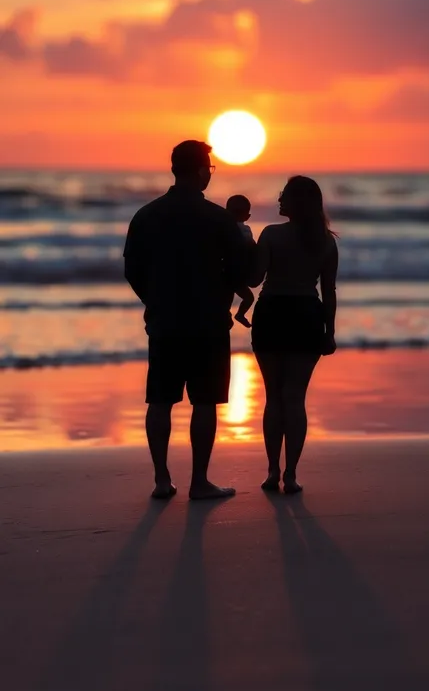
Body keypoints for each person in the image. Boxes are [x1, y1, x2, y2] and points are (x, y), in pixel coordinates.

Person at [123, 140, 246, 501]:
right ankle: (199, 482)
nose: (210, 173)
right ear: (197, 171)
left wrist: (155, 300)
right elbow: (241, 271)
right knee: (205, 402)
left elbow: (132, 269)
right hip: (208, 322)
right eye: (208, 167)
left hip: (165, 321)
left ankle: (162, 480)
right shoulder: (219, 219)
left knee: (160, 400)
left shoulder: (147, 215)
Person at [250, 176, 338, 495]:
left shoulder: (271, 235)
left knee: (273, 396)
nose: (278, 199)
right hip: (306, 316)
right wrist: (330, 332)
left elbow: (255, 277)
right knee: (294, 397)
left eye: (284, 195)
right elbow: (328, 292)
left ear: (296, 201)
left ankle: (273, 471)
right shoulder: (326, 241)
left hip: (272, 313)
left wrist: (238, 248)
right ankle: (291, 474)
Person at [226, 194, 255, 328]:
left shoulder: (223, 227)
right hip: (238, 274)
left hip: (228, 273)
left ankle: (231, 315)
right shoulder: (245, 230)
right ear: (247, 216)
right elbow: (252, 247)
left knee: (226, 299)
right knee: (249, 298)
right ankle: (239, 314)